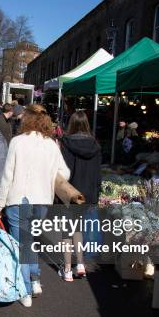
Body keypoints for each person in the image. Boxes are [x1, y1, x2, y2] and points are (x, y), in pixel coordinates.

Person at [0, 104, 70, 307]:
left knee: (22, 245)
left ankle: (25, 289)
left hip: (18, 199)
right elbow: (65, 174)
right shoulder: (52, 145)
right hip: (42, 200)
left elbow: (8, 175)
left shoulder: (17, 142)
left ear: (26, 119)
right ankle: (34, 280)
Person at [58, 110, 102, 281]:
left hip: (71, 192)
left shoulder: (66, 143)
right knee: (78, 229)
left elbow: (64, 172)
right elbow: (98, 174)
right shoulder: (95, 145)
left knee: (67, 231)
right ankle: (81, 263)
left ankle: (68, 269)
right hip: (88, 194)